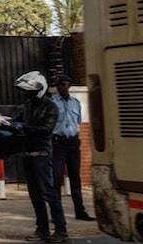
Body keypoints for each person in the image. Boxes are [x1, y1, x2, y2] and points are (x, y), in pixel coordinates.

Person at [9, 71, 68, 243]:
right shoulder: (27, 105)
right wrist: (10, 124)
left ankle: (61, 229)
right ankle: (42, 229)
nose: (28, 94)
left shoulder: (50, 107)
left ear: (40, 89)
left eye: (31, 91)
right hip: (27, 153)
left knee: (49, 193)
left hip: (42, 155)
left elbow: (45, 130)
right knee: (35, 195)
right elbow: (17, 121)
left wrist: (24, 127)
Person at [51, 74, 95, 221]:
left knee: (75, 177)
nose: (61, 87)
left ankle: (80, 211)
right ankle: (56, 213)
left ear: (69, 85)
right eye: (59, 85)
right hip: (58, 143)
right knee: (56, 178)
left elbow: (78, 123)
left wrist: (78, 140)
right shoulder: (52, 103)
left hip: (73, 142)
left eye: (64, 84)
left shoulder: (76, 103)